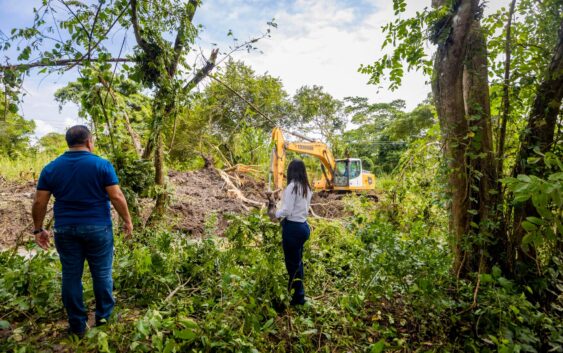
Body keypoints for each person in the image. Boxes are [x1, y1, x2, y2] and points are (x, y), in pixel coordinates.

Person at [31, 125, 133, 336]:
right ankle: (104, 319)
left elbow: (40, 201)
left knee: (71, 276)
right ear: (89, 142)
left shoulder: (51, 168)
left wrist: (38, 229)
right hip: (98, 228)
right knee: (102, 273)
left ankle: (77, 325)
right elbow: (117, 196)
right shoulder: (102, 165)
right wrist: (127, 221)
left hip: (65, 229)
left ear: (68, 143)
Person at [268, 159, 313, 306]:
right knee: (297, 262)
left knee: (292, 265)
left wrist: (275, 214)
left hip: (293, 229)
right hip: (304, 227)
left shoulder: (292, 187)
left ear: (291, 171)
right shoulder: (307, 187)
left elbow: (287, 210)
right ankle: (294, 291)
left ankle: (298, 298)